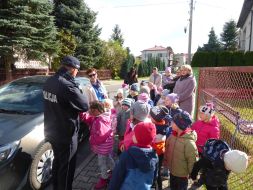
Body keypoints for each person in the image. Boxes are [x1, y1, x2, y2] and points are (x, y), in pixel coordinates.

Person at [43, 55, 89, 190]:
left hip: (52, 132)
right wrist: (75, 85)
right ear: (73, 69)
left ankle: (56, 187)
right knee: (67, 168)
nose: (76, 74)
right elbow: (84, 105)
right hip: (66, 134)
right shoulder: (67, 85)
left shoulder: (49, 81)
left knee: (57, 162)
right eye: (76, 71)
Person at [108, 122, 158, 190]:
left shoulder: (127, 155)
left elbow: (117, 176)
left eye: (134, 134)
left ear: (138, 138)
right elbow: (154, 176)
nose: (132, 135)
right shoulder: (154, 156)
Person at [79, 101, 115, 189]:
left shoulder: (100, 121)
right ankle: (115, 170)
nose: (89, 111)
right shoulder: (99, 117)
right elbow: (90, 119)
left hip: (103, 147)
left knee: (102, 163)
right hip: (106, 147)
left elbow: (102, 136)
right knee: (108, 158)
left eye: (90, 110)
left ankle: (104, 178)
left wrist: (92, 140)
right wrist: (82, 114)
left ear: (96, 110)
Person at [163, 110, 198, 190]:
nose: (171, 123)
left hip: (182, 175)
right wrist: (165, 160)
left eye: (173, 122)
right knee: (172, 187)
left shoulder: (189, 143)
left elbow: (192, 160)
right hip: (172, 170)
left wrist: (192, 174)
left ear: (180, 125)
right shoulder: (172, 136)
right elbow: (167, 148)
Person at [150, 106, 170, 190]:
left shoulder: (155, 128)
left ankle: (154, 186)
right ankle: (159, 187)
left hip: (154, 152)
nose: (149, 117)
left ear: (154, 119)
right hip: (161, 152)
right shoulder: (164, 125)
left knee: (154, 172)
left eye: (150, 116)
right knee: (157, 171)